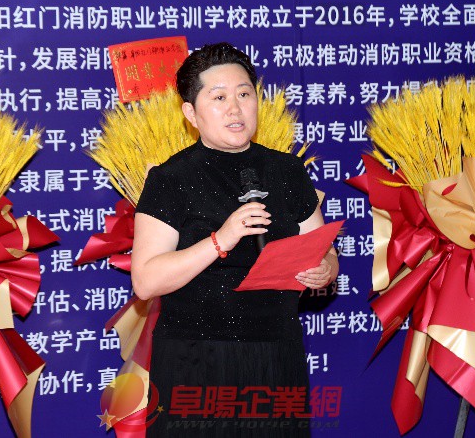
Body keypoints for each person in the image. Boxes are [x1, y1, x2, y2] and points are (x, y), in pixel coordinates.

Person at [132, 42, 339, 436]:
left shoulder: (287, 170)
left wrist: (325, 268)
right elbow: (145, 280)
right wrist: (220, 239)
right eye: (219, 97)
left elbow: (322, 248)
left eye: (244, 94)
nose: (235, 108)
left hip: (276, 355)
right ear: (190, 113)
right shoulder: (170, 179)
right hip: (195, 361)